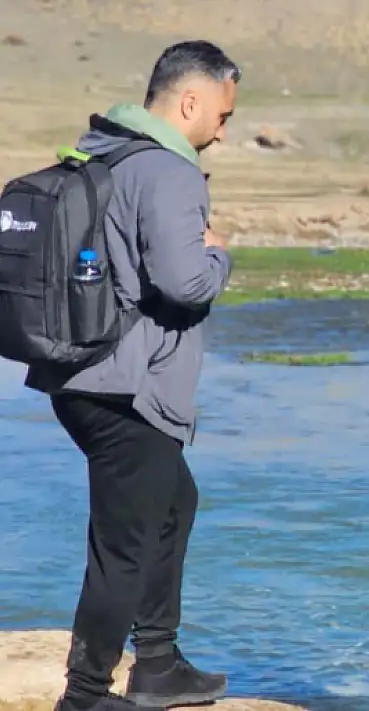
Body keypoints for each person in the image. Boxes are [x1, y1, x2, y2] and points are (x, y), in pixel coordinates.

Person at [24, 42, 240, 711]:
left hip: (77, 376)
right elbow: (185, 280)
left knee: (174, 501)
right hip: (128, 388)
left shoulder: (101, 151)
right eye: (223, 115)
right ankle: (86, 694)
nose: (224, 131)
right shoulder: (169, 172)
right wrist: (221, 255)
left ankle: (158, 663)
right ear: (190, 101)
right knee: (125, 542)